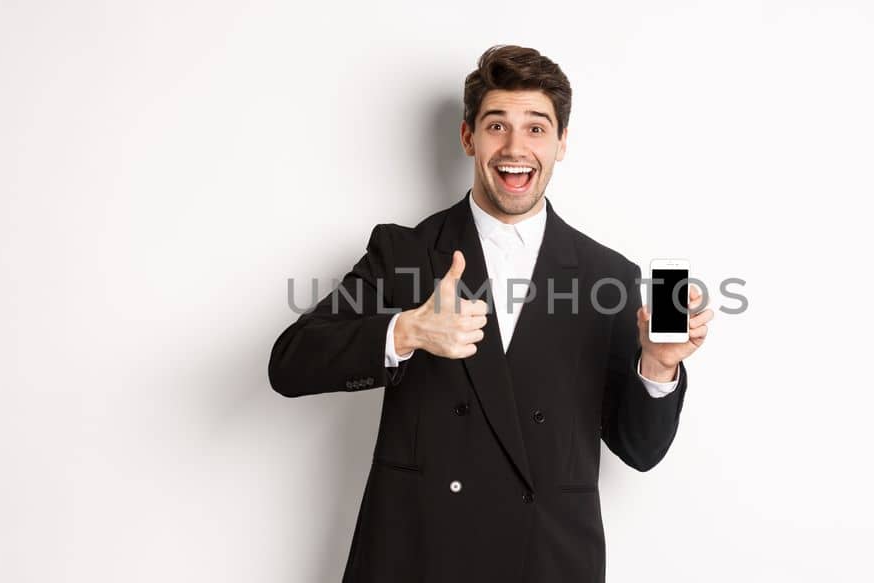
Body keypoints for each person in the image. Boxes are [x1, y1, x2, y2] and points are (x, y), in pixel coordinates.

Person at [268, 44, 712, 583]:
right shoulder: (405, 252)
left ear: (562, 143)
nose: (515, 147)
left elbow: (640, 450)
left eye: (536, 127)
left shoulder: (609, 277)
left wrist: (659, 366)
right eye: (496, 125)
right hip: (418, 554)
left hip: (547, 561)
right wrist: (403, 331)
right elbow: (289, 364)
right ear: (467, 137)